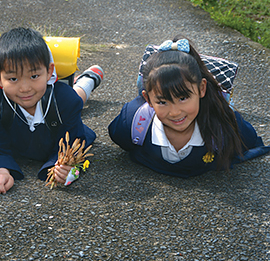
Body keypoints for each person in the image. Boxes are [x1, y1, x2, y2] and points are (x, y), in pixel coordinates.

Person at [108, 37, 270, 177]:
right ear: (148, 100)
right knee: (148, 83)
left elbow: (251, 141)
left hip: (210, 103)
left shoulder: (226, 124)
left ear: (201, 89)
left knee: (221, 102)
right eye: (163, 102)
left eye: (183, 98)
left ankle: (217, 88)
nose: (175, 112)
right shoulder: (130, 123)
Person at [0, 27, 103, 194]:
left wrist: (64, 167)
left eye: (34, 76)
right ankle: (83, 80)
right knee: (63, 94)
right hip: (46, 96)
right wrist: (0, 170)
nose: (25, 88)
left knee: (76, 96)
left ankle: (89, 79)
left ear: (50, 71)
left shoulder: (67, 101)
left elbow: (73, 142)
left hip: (58, 97)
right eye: (13, 79)